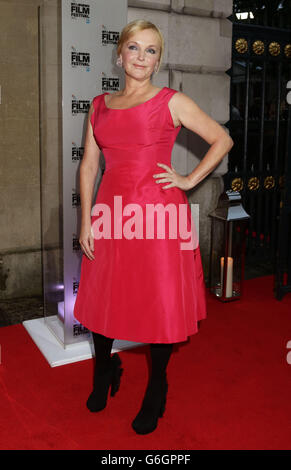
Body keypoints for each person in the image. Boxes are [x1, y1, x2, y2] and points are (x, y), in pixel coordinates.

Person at [73, 19, 233, 435]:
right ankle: (104, 371)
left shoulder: (170, 101)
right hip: (111, 216)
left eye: (151, 51)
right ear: (120, 53)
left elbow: (221, 139)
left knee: (157, 302)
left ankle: (157, 385)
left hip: (159, 216)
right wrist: (85, 218)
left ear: (158, 60)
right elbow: (89, 164)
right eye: (134, 48)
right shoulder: (98, 105)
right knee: (104, 297)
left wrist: (187, 180)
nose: (141, 57)